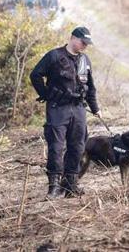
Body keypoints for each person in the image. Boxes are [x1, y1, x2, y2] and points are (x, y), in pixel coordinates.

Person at [30, 26, 100, 198]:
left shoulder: (85, 61)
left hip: (78, 109)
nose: (85, 46)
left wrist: (95, 108)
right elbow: (35, 75)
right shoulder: (54, 56)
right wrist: (46, 94)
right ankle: (53, 187)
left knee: (77, 147)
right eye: (83, 42)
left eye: (87, 43)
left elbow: (90, 87)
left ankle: (70, 185)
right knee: (56, 147)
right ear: (73, 38)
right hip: (58, 108)